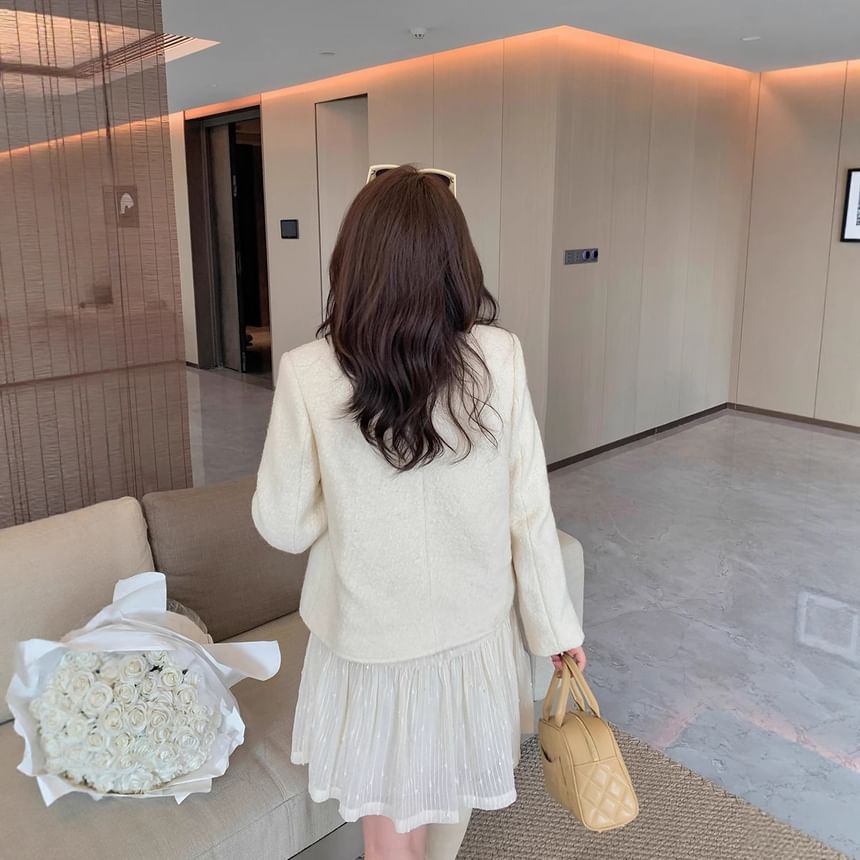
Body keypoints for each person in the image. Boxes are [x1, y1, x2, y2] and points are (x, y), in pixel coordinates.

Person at [251, 165, 586, 860]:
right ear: (456, 261)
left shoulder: (309, 371)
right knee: (443, 813)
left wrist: (345, 504)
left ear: (353, 262)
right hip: (472, 638)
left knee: (389, 843)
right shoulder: (500, 357)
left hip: (369, 644)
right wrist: (555, 629)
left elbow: (282, 525)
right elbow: (529, 510)